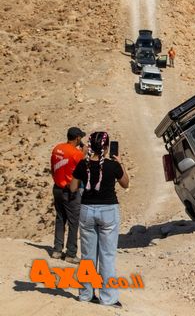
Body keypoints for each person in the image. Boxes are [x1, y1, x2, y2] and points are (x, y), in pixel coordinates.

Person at [70, 132, 129, 307]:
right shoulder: (112, 166)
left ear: (91, 146)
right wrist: (121, 164)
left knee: (87, 256)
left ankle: (86, 295)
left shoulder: (83, 164)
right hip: (108, 211)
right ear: (106, 147)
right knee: (107, 256)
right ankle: (108, 297)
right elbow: (125, 183)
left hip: (87, 210)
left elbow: (73, 188)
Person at [50, 127, 86, 263]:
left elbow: (52, 169)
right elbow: (84, 170)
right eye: (80, 138)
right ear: (77, 138)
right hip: (70, 191)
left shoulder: (57, 149)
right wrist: (83, 153)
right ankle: (71, 254)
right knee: (73, 222)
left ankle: (57, 250)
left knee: (60, 219)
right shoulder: (76, 154)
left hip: (57, 188)